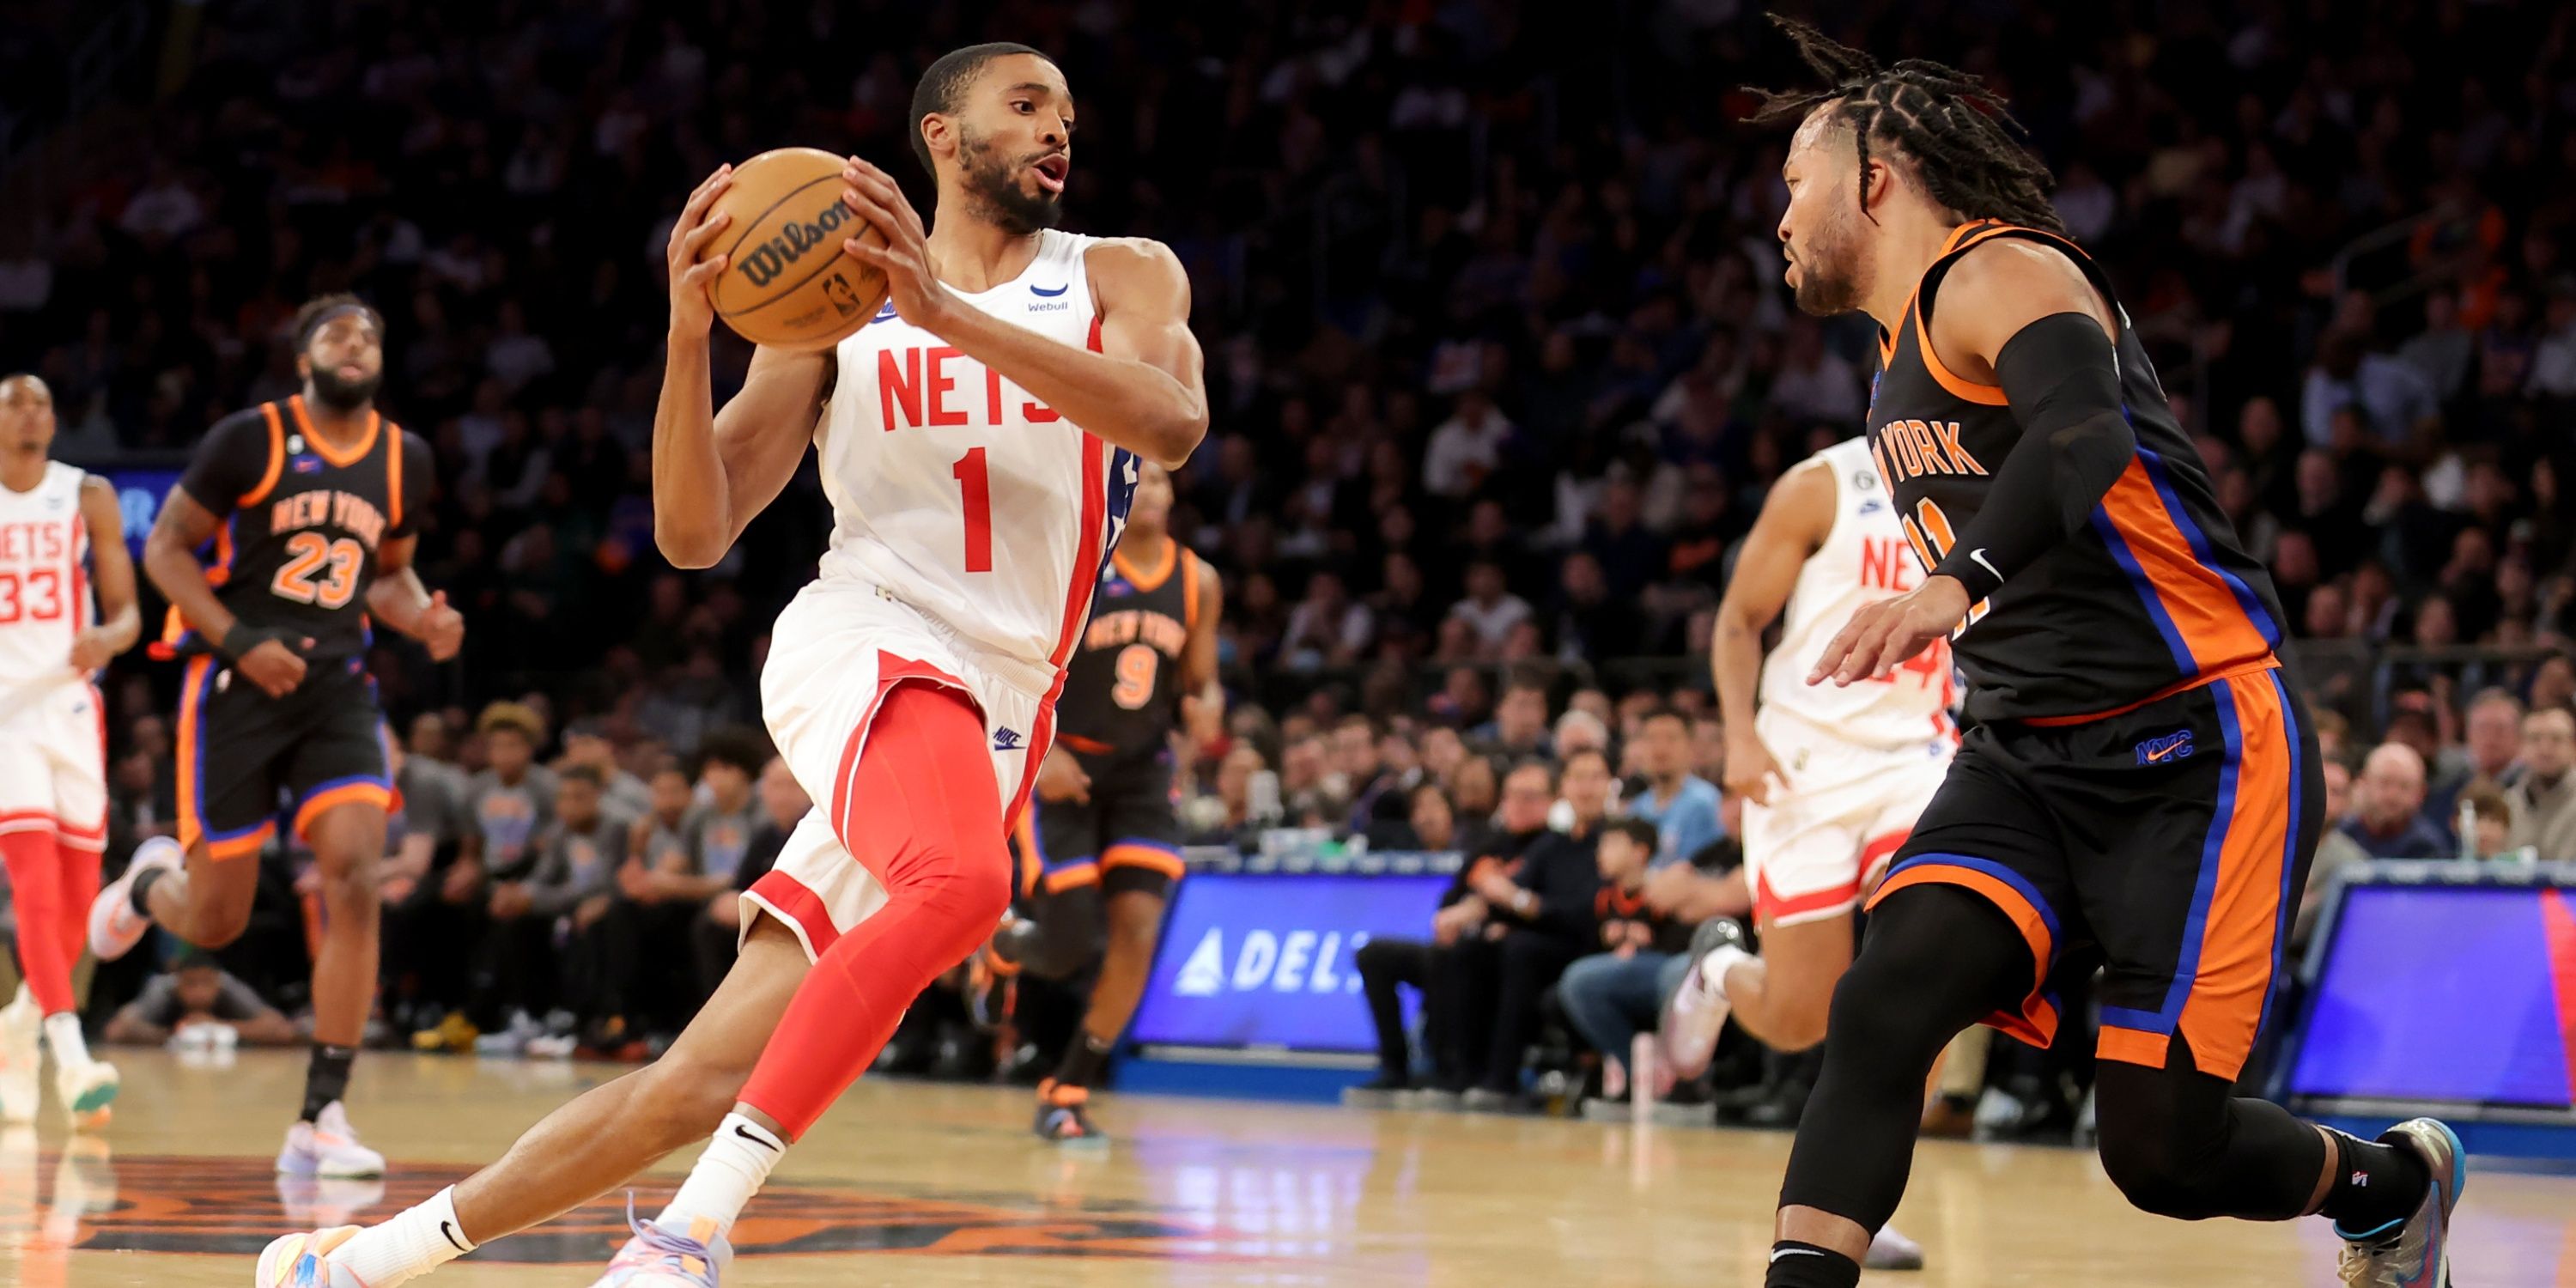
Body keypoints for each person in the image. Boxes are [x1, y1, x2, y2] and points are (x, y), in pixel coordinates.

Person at [261, 41, 1206, 1288]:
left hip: (1004, 699)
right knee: (966, 885)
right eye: (1024, 106)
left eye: (1066, 114)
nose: (1056, 131)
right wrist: (686, 335)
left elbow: (1170, 422)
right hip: (867, 635)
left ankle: (361, 1262)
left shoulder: (1121, 273)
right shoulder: (837, 299)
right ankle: (689, 1231)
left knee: (696, 1079)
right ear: (940, 134)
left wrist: (940, 312)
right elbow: (695, 532)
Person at [1732, 21, 2457, 1288]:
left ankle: (2395, 1186)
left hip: (2196, 740)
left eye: (1795, 180)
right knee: (1884, 1000)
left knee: (2162, 1156)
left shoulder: (2003, 270)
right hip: (2023, 756)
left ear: (1877, 177)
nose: (1779, 215)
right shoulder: (1893, 363)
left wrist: (1954, 583)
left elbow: (2083, 439)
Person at [89, 294, 460, 1181]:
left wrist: (425, 619)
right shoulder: (247, 440)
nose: (354, 342)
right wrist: (241, 642)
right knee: (214, 920)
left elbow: (389, 578)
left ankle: (321, 1113)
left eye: (370, 332)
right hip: (233, 687)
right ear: (304, 359)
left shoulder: (406, 461)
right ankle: (150, 887)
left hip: (337, 690)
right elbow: (168, 554)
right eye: (336, 332)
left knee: (357, 879)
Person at [1662, 433, 1959, 1272]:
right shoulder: (1822, 483)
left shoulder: (1995, 479)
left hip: (1917, 759)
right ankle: (1718, 966)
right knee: (1799, 1017)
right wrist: (1739, 738)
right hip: (1800, 764)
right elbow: (1738, 619)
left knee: (1926, 976)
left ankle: (1861, 1200)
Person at [991, 460, 1220, 1142]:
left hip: (1142, 775)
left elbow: (1200, 682)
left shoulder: (1198, 580)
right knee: (1065, 946)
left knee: (1138, 932)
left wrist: (1207, 709)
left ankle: (1069, 1087)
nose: (1153, 492)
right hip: (1062, 768)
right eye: (1141, 480)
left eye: (1163, 483)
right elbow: (1015, 668)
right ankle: (995, 945)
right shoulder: (1074, 563)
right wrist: (1042, 749)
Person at [0, 373, 139, 1124]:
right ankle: (71, 1051)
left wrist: (108, 639)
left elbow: (128, 616)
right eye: (16, 403)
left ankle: (16, 1027)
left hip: (70, 703)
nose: (32, 414)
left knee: (80, 902)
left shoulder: (86, 494)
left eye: (43, 404)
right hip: (3, 717)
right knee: (32, 883)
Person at [103, 951, 299, 1048]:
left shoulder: (229, 986)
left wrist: (221, 1027)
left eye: (206, 983)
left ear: (217, 982)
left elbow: (282, 1030)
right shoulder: (163, 989)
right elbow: (116, 1030)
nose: (198, 992)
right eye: (190, 984)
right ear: (177, 983)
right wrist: (174, 1035)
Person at [1624, 706, 1726, 866]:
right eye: (1652, 739)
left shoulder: (1706, 803)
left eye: (1671, 738)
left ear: (1691, 746)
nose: (1660, 748)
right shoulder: (1637, 809)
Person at [2342, 742, 2450, 860]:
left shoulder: (2427, 846)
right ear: (2364, 783)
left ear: (2421, 793)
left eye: (2404, 786)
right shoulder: (2342, 836)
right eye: (2384, 783)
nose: (2392, 795)